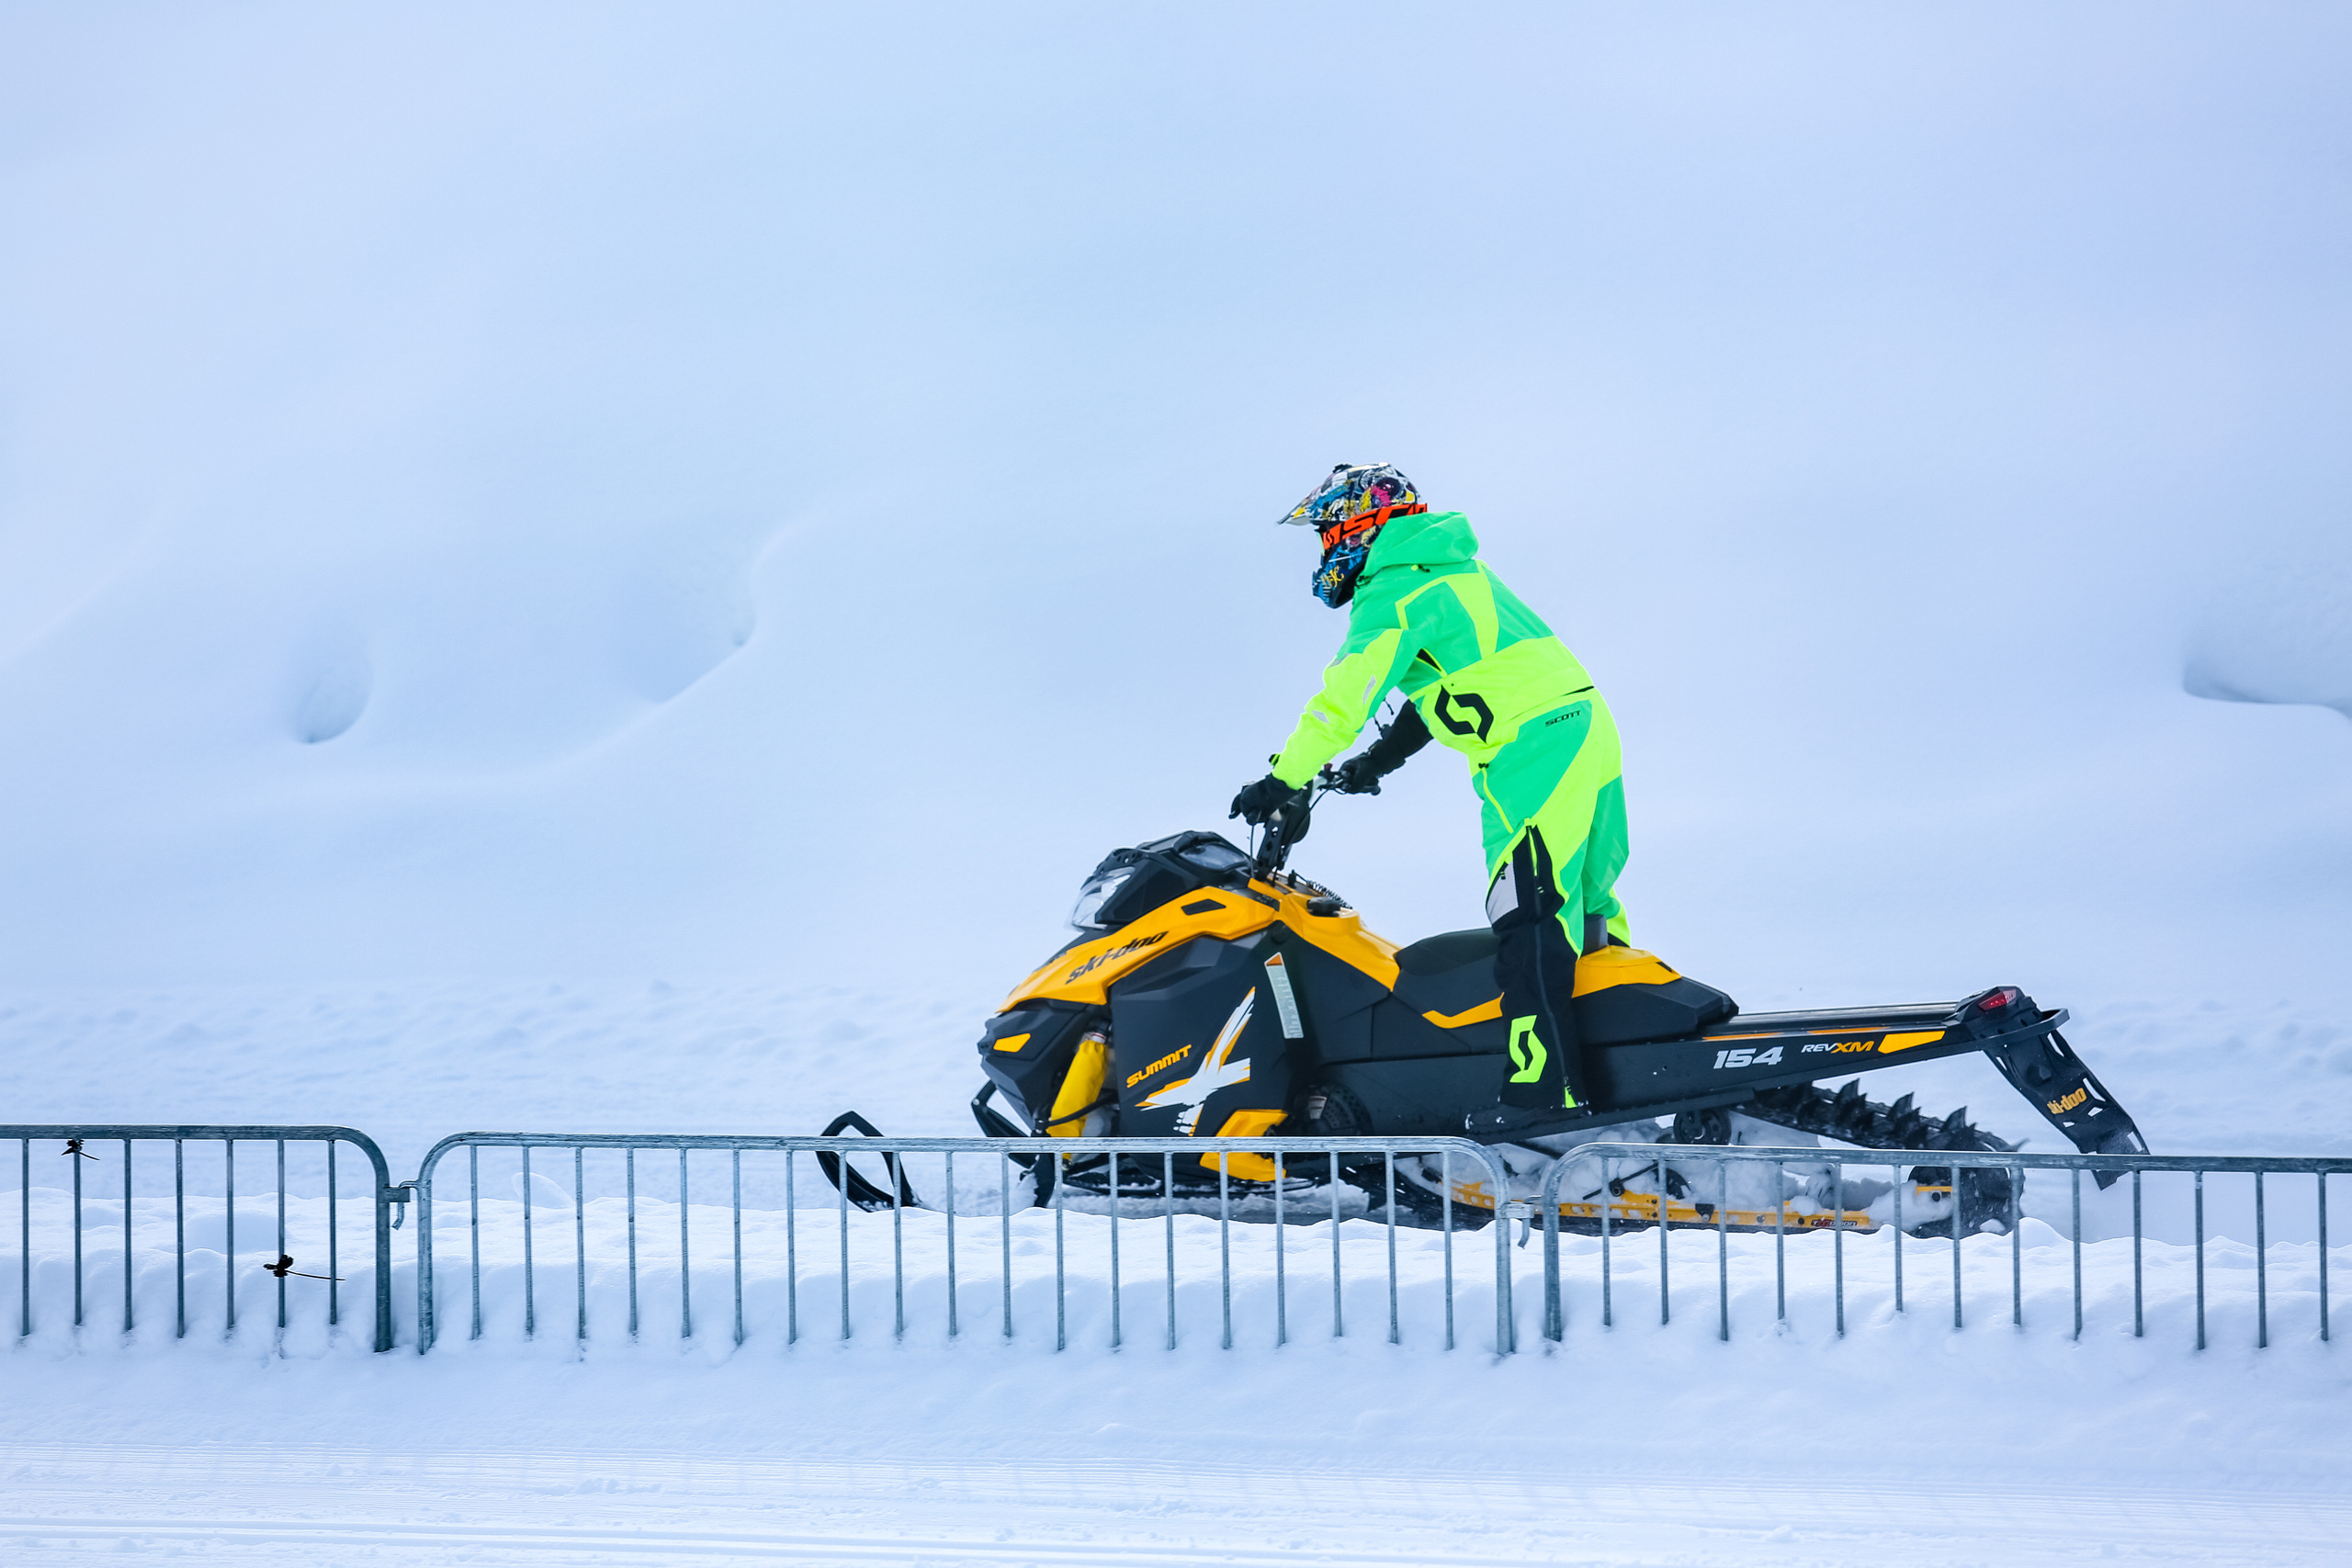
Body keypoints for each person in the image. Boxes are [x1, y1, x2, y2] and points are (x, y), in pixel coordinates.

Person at [1229, 462, 1630, 1136]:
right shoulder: (1448, 569)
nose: (1325, 546)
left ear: (1362, 523)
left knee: (1527, 907)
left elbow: (1345, 696)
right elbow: (1447, 679)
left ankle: (1545, 1092)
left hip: (1534, 743)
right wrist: (1379, 760)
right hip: (1586, 725)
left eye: (1327, 529)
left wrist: (1284, 777)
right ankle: (1624, 1050)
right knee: (1587, 906)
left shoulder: (1392, 588)